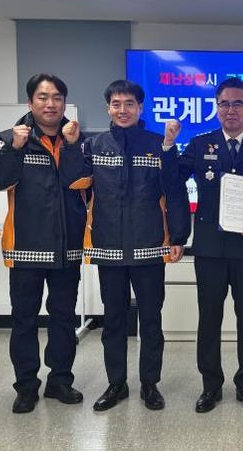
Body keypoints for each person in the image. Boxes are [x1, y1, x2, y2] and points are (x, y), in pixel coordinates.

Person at [59, 79, 190, 412]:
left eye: (129, 104)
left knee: (151, 321)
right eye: (116, 104)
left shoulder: (157, 144)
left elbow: (174, 189)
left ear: (140, 108)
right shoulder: (94, 145)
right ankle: (116, 383)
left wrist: (178, 237)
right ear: (108, 108)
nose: (123, 110)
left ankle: (150, 384)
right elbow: (73, 182)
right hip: (109, 247)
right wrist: (71, 146)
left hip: (149, 247)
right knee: (114, 322)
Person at [172, 77, 243, 413]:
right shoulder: (199, 143)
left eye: (237, 103)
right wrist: (168, 145)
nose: (230, 110)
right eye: (224, 104)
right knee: (209, 318)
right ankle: (211, 385)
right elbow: (172, 180)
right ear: (216, 107)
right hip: (210, 248)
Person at [0, 74, 87, 414]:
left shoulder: (77, 139)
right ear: (30, 102)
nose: (50, 104)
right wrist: (14, 148)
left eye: (57, 97)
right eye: (43, 97)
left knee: (64, 318)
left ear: (64, 102)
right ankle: (26, 386)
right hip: (26, 247)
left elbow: (81, 182)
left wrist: (71, 147)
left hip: (67, 248)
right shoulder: (7, 138)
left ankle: (60, 381)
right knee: (24, 320)